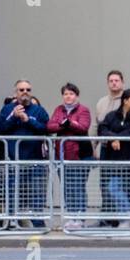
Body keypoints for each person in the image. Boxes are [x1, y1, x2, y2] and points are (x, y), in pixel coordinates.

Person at [0, 79, 50, 228]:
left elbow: (46, 129)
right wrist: (13, 117)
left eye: (28, 90)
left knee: (36, 194)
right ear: (15, 93)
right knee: (12, 193)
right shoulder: (7, 109)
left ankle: (38, 223)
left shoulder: (39, 110)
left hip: (35, 160)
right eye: (21, 90)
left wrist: (28, 120)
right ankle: (12, 221)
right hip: (13, 160)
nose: (25, 92)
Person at [47, 83, 93, 230]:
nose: (68, 96)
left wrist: (69, 124)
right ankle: (70, 215)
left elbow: (83, 127)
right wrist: (64, 125)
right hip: (62, 154)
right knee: (67, 187)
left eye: (71, 94)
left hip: (79, 154)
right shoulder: (58, 109)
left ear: (77, 96)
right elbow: (50, 126)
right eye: (66, 94)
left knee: (78, 186)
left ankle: (79, 217)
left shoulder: (83, 110)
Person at [96, 88, 130, 226]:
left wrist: (119, 138)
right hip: (112, 158)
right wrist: (113, 138)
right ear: (125, 100)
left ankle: (129, 216)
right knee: (112, 186)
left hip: (129, 158)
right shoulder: (112, 116)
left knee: (127, 186)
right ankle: (127, 216)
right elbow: (102, 130)